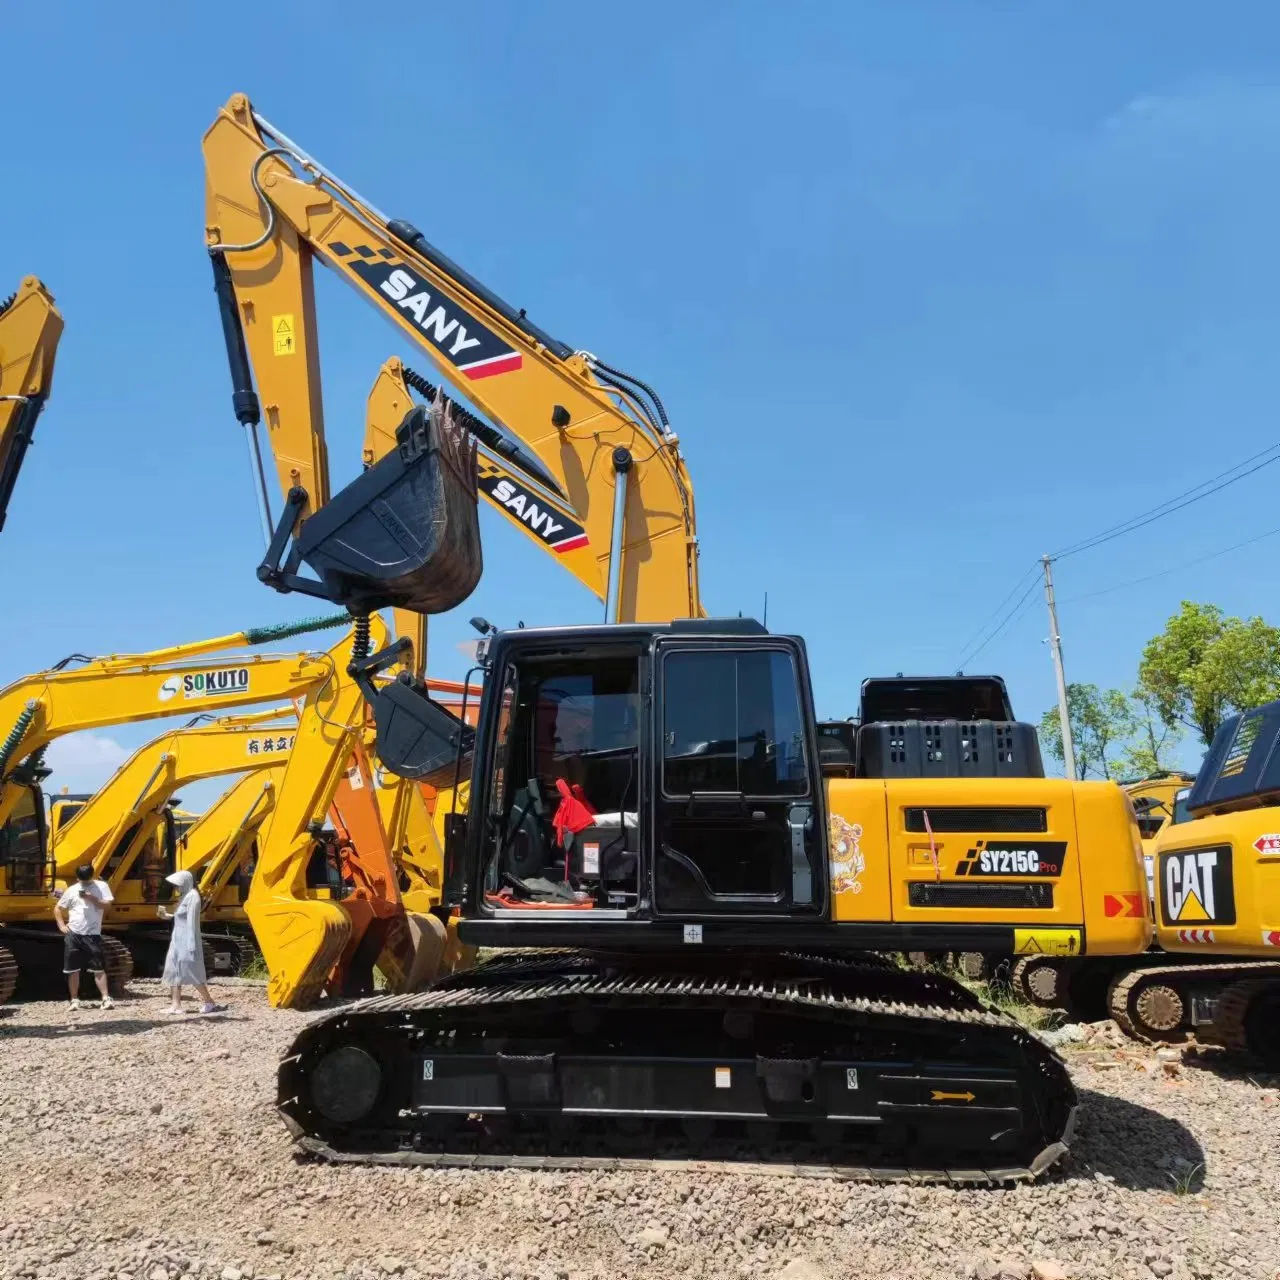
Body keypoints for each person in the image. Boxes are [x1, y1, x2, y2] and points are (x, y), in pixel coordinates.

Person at [156, 870, 225, 1015]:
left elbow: (192, 921)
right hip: (177, 939)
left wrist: (191, 943)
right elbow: (179, 917)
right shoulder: (184, 896)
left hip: (187, 939)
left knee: (191, 970)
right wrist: (166, 916)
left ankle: (209, 1001)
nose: (176, 888)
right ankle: (176, 1005)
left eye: (178, 884)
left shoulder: (193, 896)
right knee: (174, 970)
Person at [53, 864, 115, 1011]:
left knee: (98, 967)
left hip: (92, 933)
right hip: (74, 932)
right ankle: (74, 1000)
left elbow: (107, 907)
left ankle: (105, 998)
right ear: (77, 878)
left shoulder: (101, 886)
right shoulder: (72, 890)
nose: (85, 884)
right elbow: (57, 908)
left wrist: (91, 898)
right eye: (82, 881)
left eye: (87, 881)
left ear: (92, 877)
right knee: (72, 969)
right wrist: (61, 925)